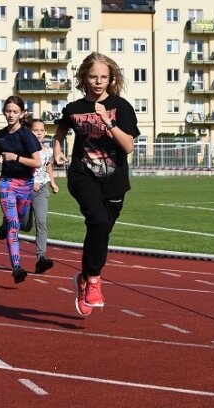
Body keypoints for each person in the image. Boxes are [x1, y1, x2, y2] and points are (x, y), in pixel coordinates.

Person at [53, 52, 139, 318]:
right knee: (98, 223)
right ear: (84, 78)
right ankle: (93, 283)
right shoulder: (75, 108)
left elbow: (127, 146)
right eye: (93, 77)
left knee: (101, 232)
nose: (98, 82)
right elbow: (62, 128)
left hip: (114, 179)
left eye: (103, 77)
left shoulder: (121, 106)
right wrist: (57, 148)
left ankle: (84, 277)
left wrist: (108, 122)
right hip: (82, 175)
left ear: (111, 78)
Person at [0, 96, 42, 284]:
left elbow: (37, 162)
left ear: (21, 114)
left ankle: (5, 222)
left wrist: (16, 157)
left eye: (14, 111)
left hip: (26, 185)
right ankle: (17, 267)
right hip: (6, 183)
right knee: (14, 226)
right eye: (7, 111)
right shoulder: (1, 134)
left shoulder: (27, 136)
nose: (10, 115)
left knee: (18, 222)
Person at [29, 118, 59, 274]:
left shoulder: (47, 151)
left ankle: (41, 258)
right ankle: (7, 220)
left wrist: (52, 182)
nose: (38, 133)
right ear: (30, 132)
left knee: (41, 222)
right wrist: (28, 183)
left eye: (41, 130)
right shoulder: (24, 149)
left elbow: (48, 166)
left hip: (41, 189)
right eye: (35, 130)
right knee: (25, 225)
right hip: (25, 191)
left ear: (45, 133)